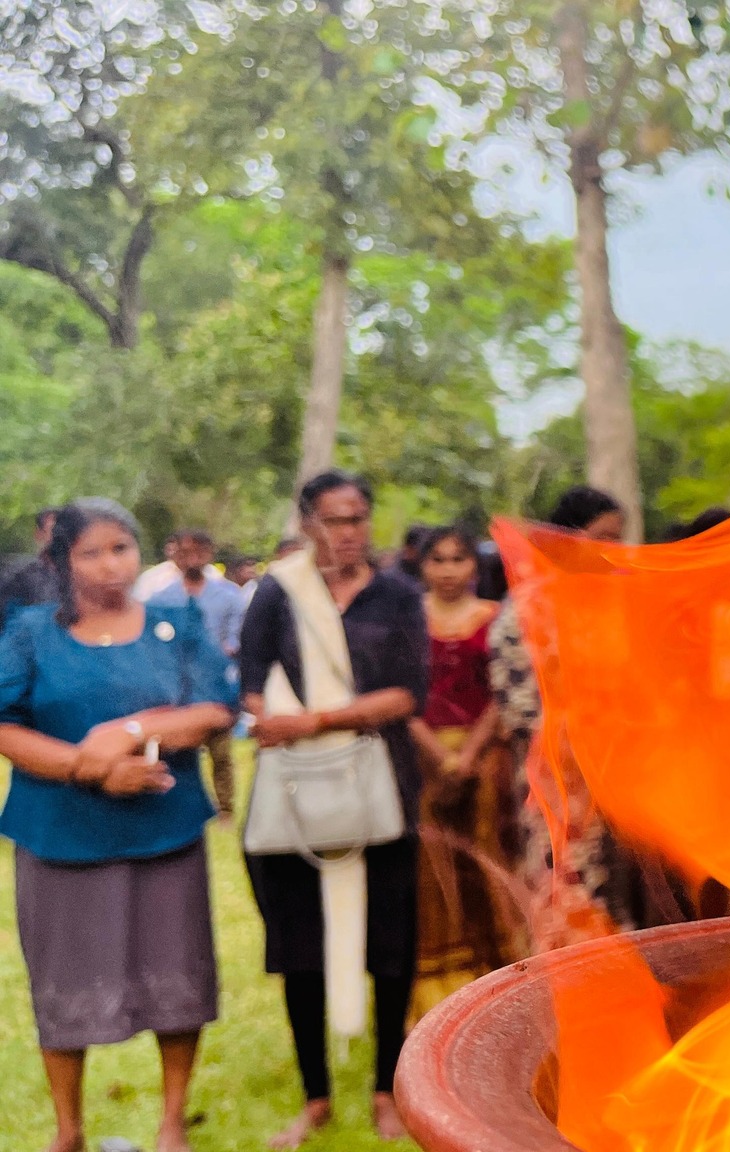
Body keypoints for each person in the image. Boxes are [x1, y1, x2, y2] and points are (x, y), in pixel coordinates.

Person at [0, 500, 237, 1152]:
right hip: (60, 835)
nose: (111, 565)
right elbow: (5, 725)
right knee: (63, 985)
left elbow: (216, 708)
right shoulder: (29, 633)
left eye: (122, 548)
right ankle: (69, 1130)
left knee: (178, 978)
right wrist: (90, 769)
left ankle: (171, 1124)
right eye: (92, 552)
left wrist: (130, 731)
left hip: (164, 832)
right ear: (62, 562)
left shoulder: (176, 622)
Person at [241, 471, 428, 1148]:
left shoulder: (398, 594)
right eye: (333, 520)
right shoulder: (278, 591)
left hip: (381, 789)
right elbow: (252, 683)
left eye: (357, 519)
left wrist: (318, 718)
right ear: (307, 523)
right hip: (297, 794)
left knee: (391, 947)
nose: (348, 533)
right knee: (299, 948)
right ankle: (315, 1097)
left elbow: (409, 694)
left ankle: (386, 1088)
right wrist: (276, 718)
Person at [490, 485, 641, 946]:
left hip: (620, 782)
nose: (612, 551)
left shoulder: (612, 605)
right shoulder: (526, 610)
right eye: (602, 538)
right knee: (567, 889)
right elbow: (521, 712)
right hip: (558, 788)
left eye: (618, 538)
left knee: (620, 899)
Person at [408, 526, 524, 1023]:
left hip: (488, 763)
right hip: (422, 759)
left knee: (488, 864)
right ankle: (439, 1000)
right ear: (423, 566)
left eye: (458, 559)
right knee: (431, 873)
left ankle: (504, 984)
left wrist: (470, 754)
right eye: (438, 559)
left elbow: (505, 691)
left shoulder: (494, 618)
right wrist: (437, 753)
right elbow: (399, 691)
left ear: (474, 568)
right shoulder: (409, 621)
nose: (449, 570)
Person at [146, 529, 248, 819]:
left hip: (215, 686)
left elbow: (238, 638)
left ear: (208, 555)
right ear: (174, 556)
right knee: (175, 751)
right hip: (176, 687)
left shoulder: (229, 595)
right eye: (184, 552)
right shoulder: (161, 598)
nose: (191, 558)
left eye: (197, 551)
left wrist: (217, 654)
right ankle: (179, 807)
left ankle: (226, 808)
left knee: (221, 752)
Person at [0, 507, 61, 626]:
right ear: (39, 534)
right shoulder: (18, 576)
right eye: (54, 530)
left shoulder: (85, 574)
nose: (61, 536)